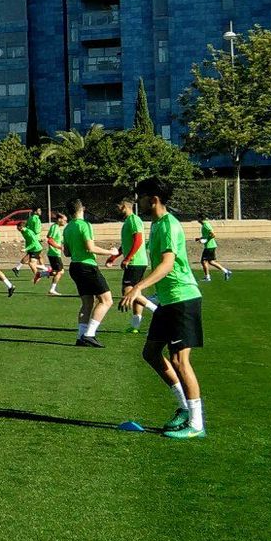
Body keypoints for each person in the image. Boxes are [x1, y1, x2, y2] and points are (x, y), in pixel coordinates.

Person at [121, 179, 205, 439]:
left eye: (143, 197)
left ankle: (196, 424)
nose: (139, 202)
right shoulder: (156, 225)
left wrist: (138, 288)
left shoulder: (168, 225)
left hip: (183, 299)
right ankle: (183, 408)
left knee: (180, 360)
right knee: (151, 352)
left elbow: (168, 264)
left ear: (154, 199)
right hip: (169, 299)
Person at [62, 198, 111, 348]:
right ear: (82, 208)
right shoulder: (84, 225)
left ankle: (80, 337)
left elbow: (67, 252)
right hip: (87, 266)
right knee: (106, 300)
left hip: (74, 267)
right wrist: (111, 251)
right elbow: (91, 247)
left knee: (87, 303)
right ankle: (89, 335)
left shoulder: (67, 228)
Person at [107, 196, 159, 333]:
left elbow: (138, 240)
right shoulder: (128, 222)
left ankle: (158, 311)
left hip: (136, 262)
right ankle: (135, 326)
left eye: (118, 206)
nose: (116, 209)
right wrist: (114, 257)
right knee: (136, 292)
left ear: (124, 206)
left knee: (128, 292)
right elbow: (126, 244)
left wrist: (128, 258)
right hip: (136, 261)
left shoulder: (134, 220)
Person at [197, 217, 232, 282]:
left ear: (200, 219)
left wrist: (206, 240)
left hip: (209, 246)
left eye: (198, 219)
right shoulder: (205, 225)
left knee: (203, 261)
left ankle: (207, 277)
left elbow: (213, 235)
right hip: (210, 246)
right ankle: (226, 271)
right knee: (211, 261)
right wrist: (200, 238)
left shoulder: (206, 225)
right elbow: (207, 235)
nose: (197, 220)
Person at [19, 210, 48, 283]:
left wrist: (26, 249)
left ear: (21, 227)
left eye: (18, 227)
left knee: (31, 263)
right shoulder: (24, 231)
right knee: (32, 263)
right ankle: (45, 272)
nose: (17, 229)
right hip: (33, 249)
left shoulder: (28, 232)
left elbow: (34, 243)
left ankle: (42, 272)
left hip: (36, 248)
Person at [44, 211, 68, 297]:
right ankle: (52, 289)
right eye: (64, 220)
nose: (65, 222)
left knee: (56, 271)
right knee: (60, 271)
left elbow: (48, 236)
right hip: (54, 253)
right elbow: (50, 240)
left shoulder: (56, 227)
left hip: (54, 253)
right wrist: (59, 247)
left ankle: (41, 274)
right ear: (59, 219)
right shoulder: (55, 227)